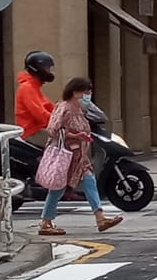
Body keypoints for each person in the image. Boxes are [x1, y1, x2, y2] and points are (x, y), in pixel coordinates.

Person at [37, 76, 121, 236]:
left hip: (80, 157)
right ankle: (45, 222)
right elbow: (53, 129)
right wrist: (75, 135)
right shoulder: (64, 108)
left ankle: (100, 217)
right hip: (66, 155)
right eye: (86, 91)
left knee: (90, 181)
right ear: (75, 92)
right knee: (58, 189)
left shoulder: (81, 110)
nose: (89, 94)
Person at [15, 50, 55, 138]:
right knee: (66, 142)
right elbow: (40, 114)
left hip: (40, 129)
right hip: (31, 132)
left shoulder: (35, 87)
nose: (49, 72)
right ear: (38, 69)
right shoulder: (27, 88)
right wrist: (58, 121)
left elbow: (51, 108)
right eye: (47, 68)